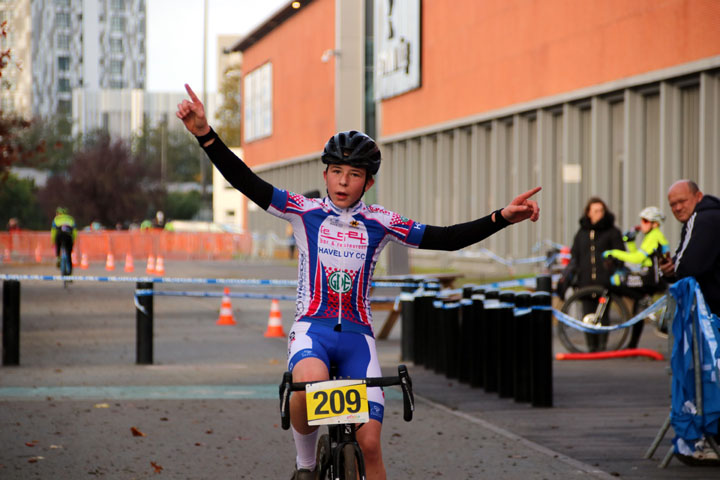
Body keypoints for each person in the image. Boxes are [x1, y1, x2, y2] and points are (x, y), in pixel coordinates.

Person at [176, 83, 541, 480]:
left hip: (357, 336)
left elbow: (446, 238)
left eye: (354, 174)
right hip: (312, 330)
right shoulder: (303, 210)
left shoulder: (381, 222)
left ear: (368, 183)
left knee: (369, 444)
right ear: (325, 173)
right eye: (336, 171)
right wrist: (206, 136)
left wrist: (501, 217)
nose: (343, 181)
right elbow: (247, 181)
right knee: (310, 389)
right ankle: (306, 463)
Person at [602, 206, 669, 348]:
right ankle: (632, 344)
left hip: (654, 279)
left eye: (645, 221)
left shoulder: (654, 235)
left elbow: (637, 258)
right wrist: (631, 241)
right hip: (650, 275)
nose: (642, 223)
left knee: (616, 282)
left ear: (655, 224)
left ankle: (641, 300)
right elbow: (643, 258)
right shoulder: (650, 236)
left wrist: (613, 252)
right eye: (641, 220)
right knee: (639, 306)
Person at [568, 197, 625, 351]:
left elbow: (620, 254)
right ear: (588, 213)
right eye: (595, 211)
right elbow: (575, 255)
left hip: (604, 282)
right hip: (585, 282)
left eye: (601, 210)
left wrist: (612, 265)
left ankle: (601, 347)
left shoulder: (612, 232)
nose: (599, 214)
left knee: (602, 316)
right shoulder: (582, 233)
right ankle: (591, 347)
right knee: (587, 315)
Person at [660, 180, 720, 316]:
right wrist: (669, 269)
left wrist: (671, 270)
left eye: (682, 201)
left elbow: (688, 266)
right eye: (673, 204)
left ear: (698, 196)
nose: (678, 208)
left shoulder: (700, 219)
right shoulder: (712, 215)